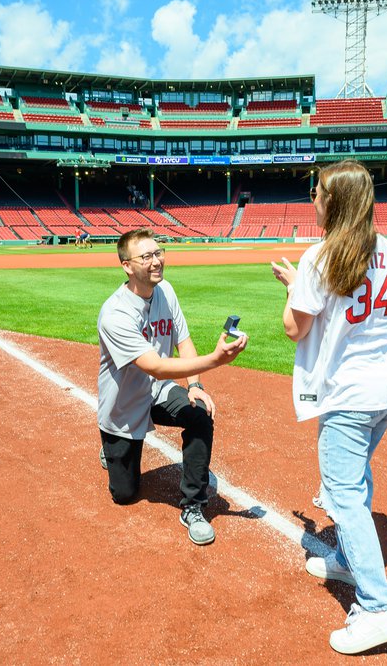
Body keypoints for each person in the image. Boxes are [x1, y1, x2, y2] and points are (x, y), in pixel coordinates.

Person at [271, 159, 387, 655]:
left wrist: (292, 288)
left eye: (318, 191)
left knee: (343, 493)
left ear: (336, 201)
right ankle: (351, 561)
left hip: (349, 395)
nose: (313, 198)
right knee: (357, 479)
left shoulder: (319, 257)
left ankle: (376, 607)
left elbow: (296, 328)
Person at [97, 227, 248, 545]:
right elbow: (155, 365)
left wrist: (197, 385)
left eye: (158, 252)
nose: (156, 261)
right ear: (127, 265)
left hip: (156, 390)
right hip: (123, 405)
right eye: (147, 256)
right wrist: (216, 359)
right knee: (124, 494)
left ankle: (193, 506)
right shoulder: (115, 313)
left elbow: (183, 340)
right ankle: (112, 449)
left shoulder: (166, 291)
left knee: (199, 413)